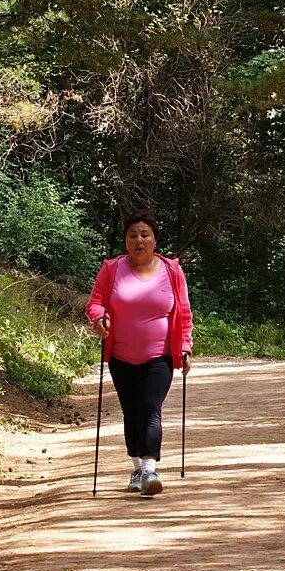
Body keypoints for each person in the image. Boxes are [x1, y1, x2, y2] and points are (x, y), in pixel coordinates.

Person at [86, 210, 193, 497]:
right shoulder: (111, 269)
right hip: (121, 358)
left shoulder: (172, 271)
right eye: (133, 235)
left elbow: (183, 314)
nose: (139, 240)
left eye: (145, 234)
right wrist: (99, 319)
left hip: (159, 357)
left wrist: (184, 346)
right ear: (125, 241)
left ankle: (149, 470)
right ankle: (136, 468)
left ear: (155, 240)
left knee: (149, 407)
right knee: (131, 411)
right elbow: (95, 303)